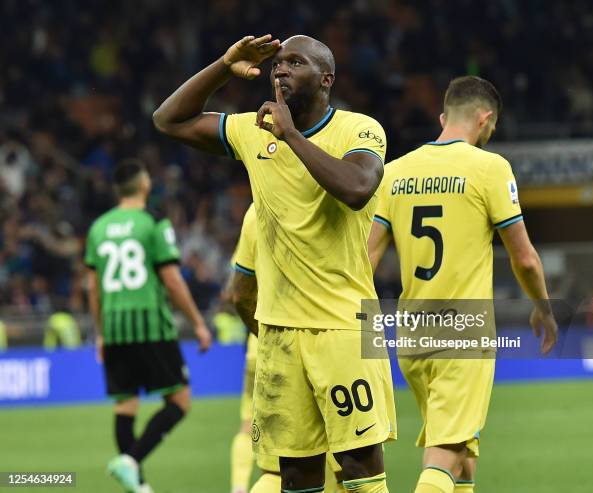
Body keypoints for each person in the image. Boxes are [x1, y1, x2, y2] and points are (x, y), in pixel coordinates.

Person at [154, 34, 396, 493]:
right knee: (296, 477)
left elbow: (358, 187)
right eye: (278, 63)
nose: (280, 69)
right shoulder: (252, 130)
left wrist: (290, 134)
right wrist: (225, 64)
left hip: (344, 325)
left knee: (361, 470)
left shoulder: (359, 129)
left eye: (295, 63)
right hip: (280, 335)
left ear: (325, 79)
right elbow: (168, 120)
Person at [367, 76, 558, 493]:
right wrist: (543, 307)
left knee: (462, 455)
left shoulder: (394, 173)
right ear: (485, 119)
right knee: (446, 452)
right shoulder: (490, 168)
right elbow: (524, 258)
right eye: (492, 127)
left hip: (411, 333)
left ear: (443, 117)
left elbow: (366, 258)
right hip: (463, 329)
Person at [85, 159, 212, 493]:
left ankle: (138, 486)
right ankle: (132, 462)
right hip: (151, 327)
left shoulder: (98, 228)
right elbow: (171, 279)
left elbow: (93, 287)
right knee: (180, 400)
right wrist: (198, 323)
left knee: (125, 405)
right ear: (145, 185)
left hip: (114, 329)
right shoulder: (153, 221)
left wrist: (100, 332)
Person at [228, 204, 346, 493]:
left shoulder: (256, 211)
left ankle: (239, 488)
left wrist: (267, 338)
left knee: (276, 465)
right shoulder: (335, 202)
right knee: (350, 457)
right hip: (334, 339)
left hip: (269, 344)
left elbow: (239, 292)